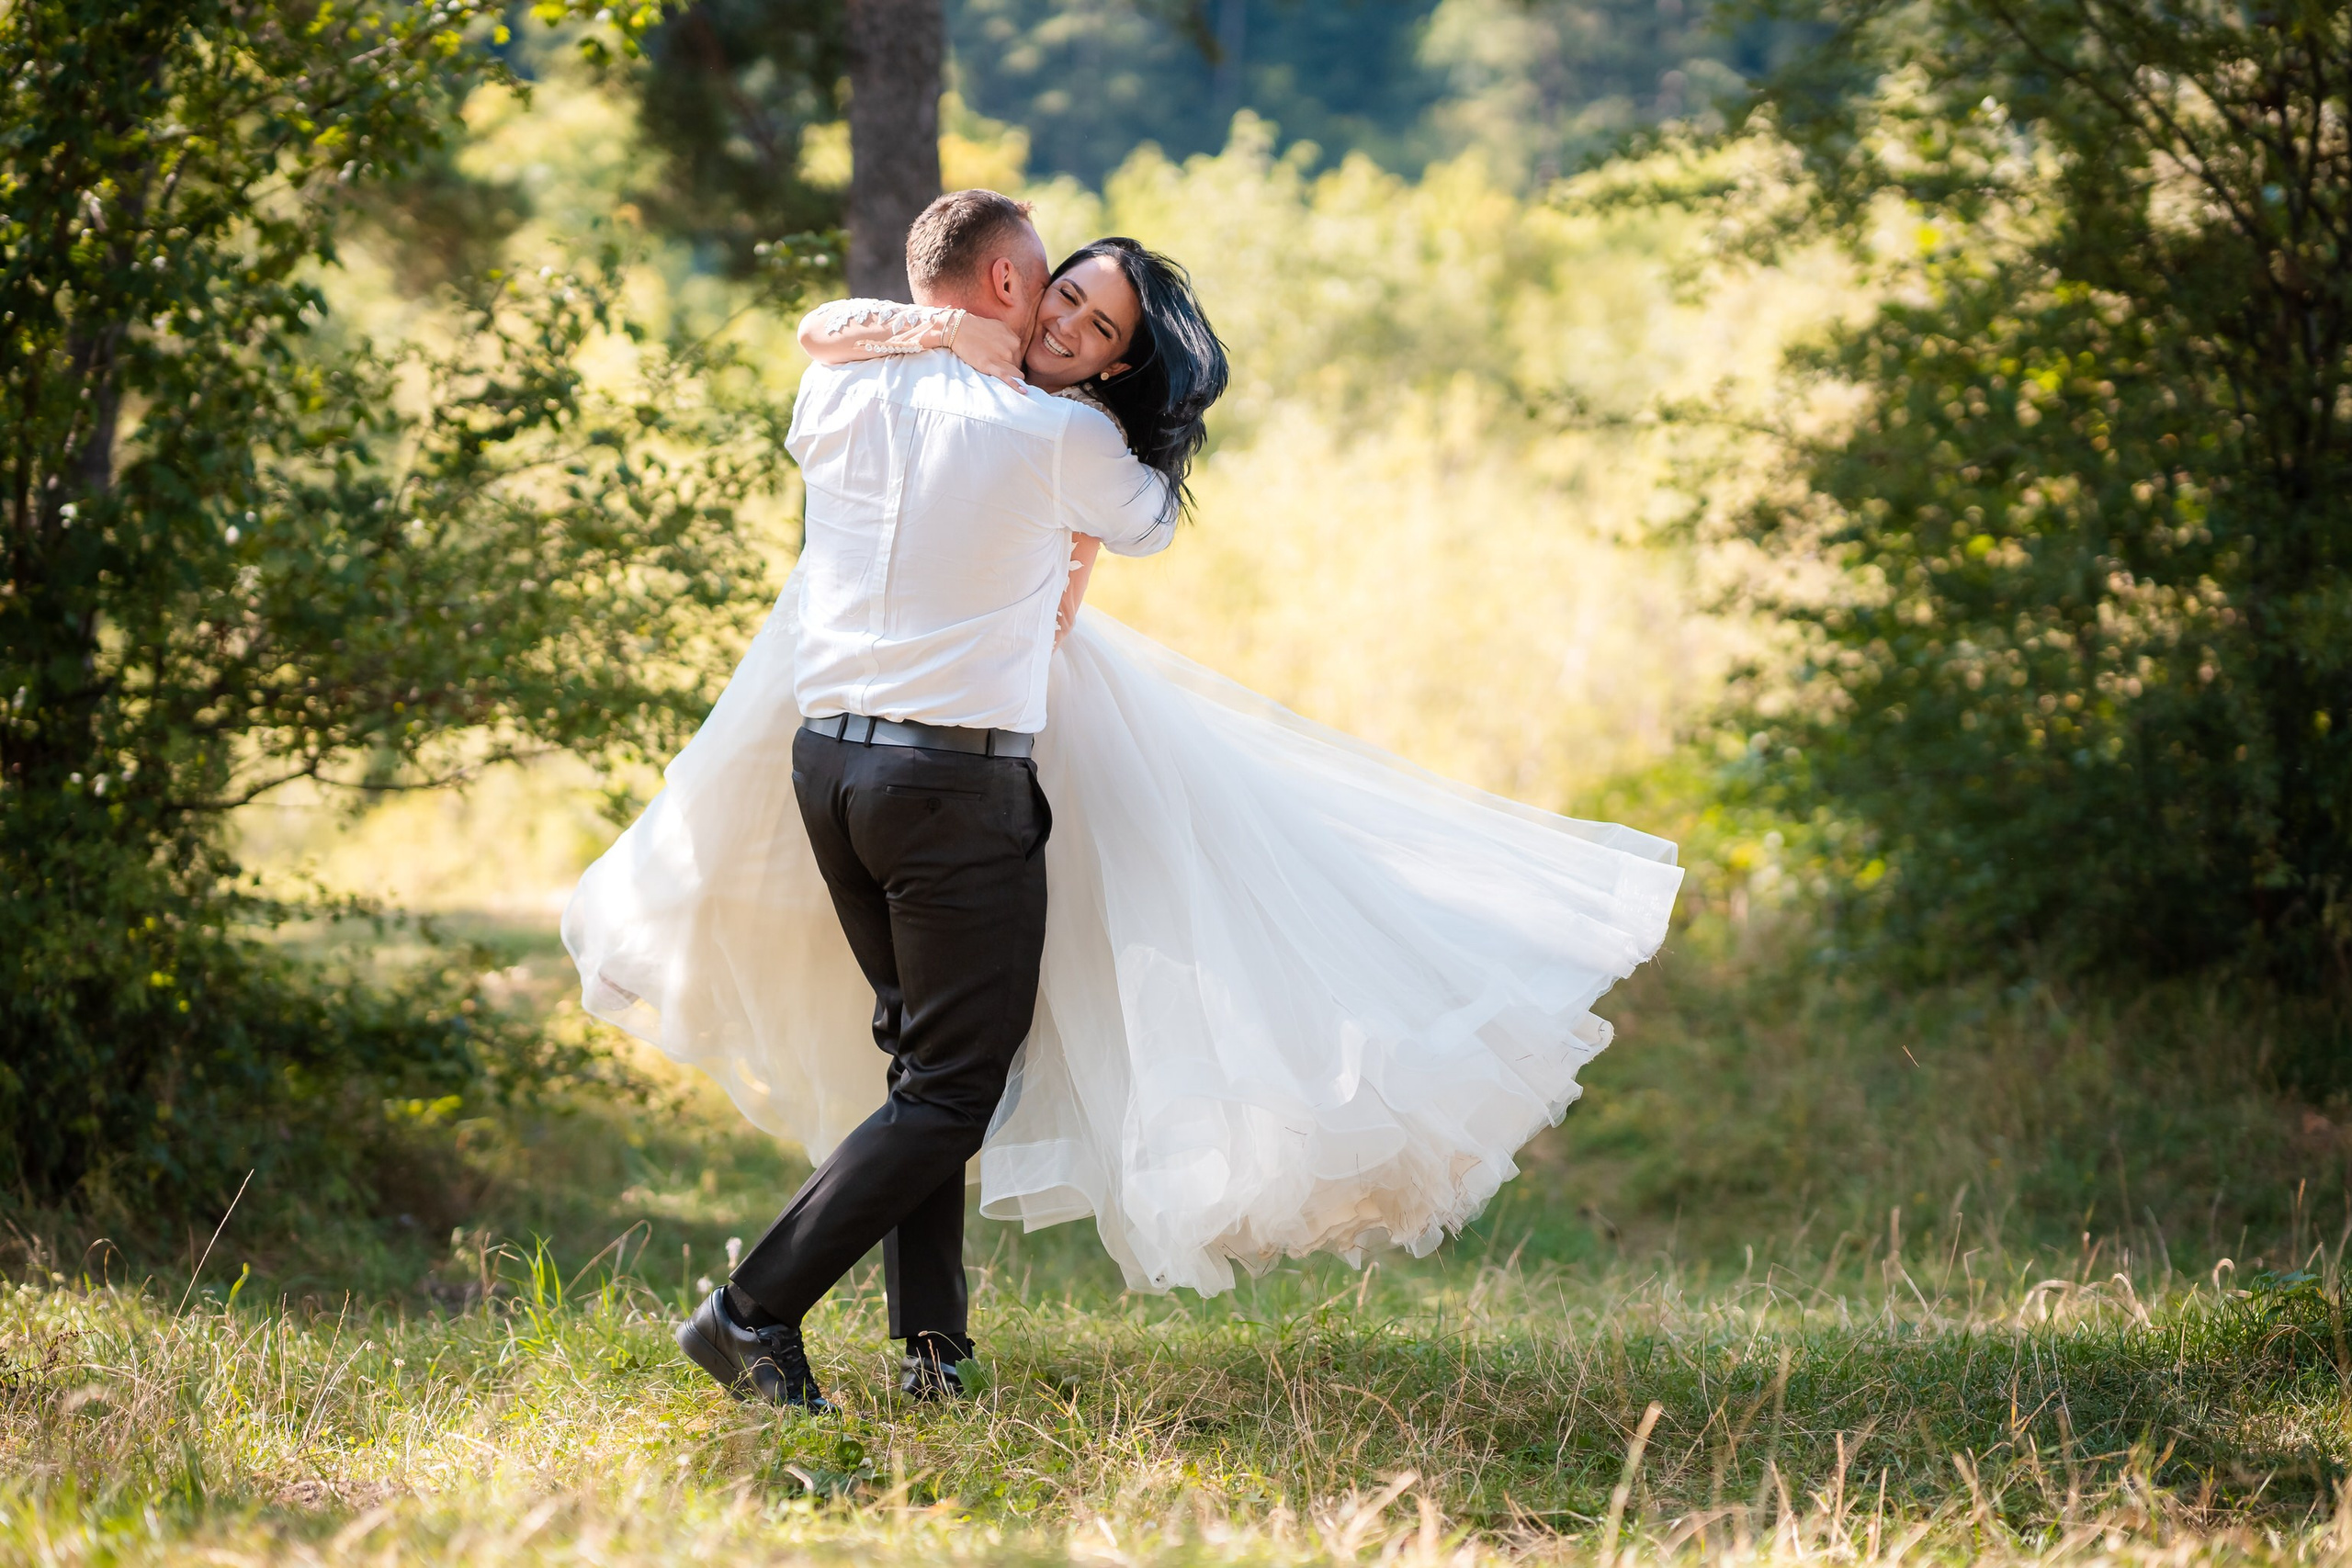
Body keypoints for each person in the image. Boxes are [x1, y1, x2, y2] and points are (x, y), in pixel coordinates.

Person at [563, 191, 1683, 1414]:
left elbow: (827, 332)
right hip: (949, 785)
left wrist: (966, 365)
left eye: (1093, 325)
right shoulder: (1063, 444)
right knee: (955, 1087)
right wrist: (1110, 423)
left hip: (829, 766)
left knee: (918, 1067)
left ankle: (932, 1350)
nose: (1062, 320)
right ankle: (752, 1313)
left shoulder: (843, 388)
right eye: (1060, 293)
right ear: (1007, 288)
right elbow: (1148, 521)